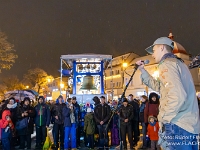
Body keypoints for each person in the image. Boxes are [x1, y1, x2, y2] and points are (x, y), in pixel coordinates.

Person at [136, 37, 200, 150]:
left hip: (178, 124)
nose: (152, 55)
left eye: (154, 50)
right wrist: (142, 70)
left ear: (161, 48)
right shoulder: (179, 64)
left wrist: (163, 118)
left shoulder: (166, 65)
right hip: (189, 125)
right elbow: (161, 88)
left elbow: (178, 96)